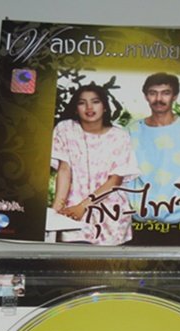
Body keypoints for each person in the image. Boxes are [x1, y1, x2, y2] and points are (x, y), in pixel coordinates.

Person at [51, 83, 140, 244]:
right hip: (72, 212)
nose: (89, 107)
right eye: (82, 102)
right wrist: (56, 211)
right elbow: (64, 170)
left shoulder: (119, 136)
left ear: (104, 107)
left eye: (95, 101)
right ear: (76, 108)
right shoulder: (65, 129)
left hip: (110, 214)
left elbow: (115, 180)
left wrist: (83, 207)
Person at [128, 73, 180, 224]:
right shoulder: (131, 131)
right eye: (153, 93)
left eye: (165, 93)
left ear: (175, 96)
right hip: (141, 221)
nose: (158, 99)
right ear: (146, 96)